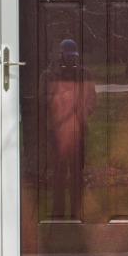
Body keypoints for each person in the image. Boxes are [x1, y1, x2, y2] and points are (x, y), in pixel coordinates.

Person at [41, 37, 96, 219]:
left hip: (77, 130)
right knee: (58, 172)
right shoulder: (49, 75)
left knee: (76, 172)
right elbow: (43, 101)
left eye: (73, 56)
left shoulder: (84, 74)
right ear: (60, 56)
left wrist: (81, 113)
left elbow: (91, 100)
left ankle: (76, 211)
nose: (70, 60)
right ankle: (58, 213)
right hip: (57, 132)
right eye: (67, 56)